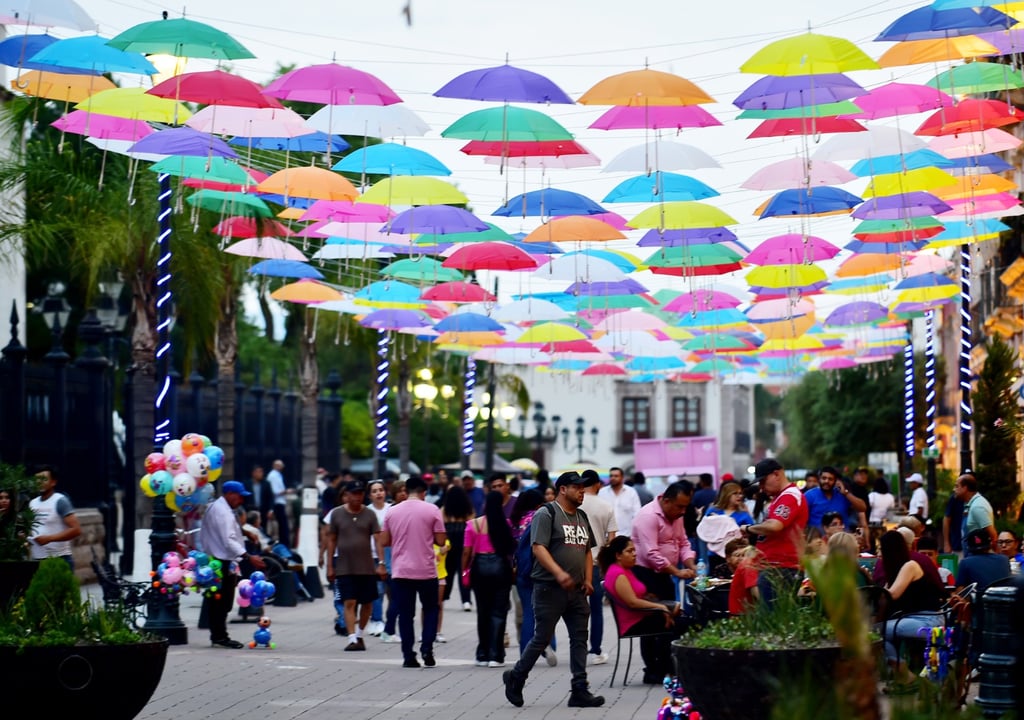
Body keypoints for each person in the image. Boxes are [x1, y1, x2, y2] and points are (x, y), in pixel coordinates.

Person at [502, 471, 604, 709]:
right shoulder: (546, 513)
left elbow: (587, 550)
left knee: (580, 638)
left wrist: (589, 579)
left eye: (583, 488)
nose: (582, 492)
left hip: (577, 590)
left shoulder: (581, 516)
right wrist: (559, 573)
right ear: (563, 489)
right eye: (577, 487)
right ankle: (516, 677)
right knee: (542, 638)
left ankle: (579, 689)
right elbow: (538, 548)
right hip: (549, 587)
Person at [631, 480, 697, 684]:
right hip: (646, 574)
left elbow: (683, 542)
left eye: (685, 507)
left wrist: (690, 564)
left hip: (664, 574)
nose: (682, 512)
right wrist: (677, 571)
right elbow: (651, 553)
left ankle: (667, 666)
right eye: (679, 507)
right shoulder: (648, 516)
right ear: (666, 501)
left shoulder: (676, 516)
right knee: (652, 623)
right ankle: (652, 670)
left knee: (670, 620)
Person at [380, 475, 446, 668]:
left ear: (406, 491)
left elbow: (384, 541)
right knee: (431, 609)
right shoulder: (432, 510)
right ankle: (427, 648)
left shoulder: (392, 511)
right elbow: (441, 541)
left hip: (401, 571)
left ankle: (408, 655)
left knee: (405, 614)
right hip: (426, 570)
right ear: (424, 492)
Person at [599, 536, 685, 679]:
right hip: (633, 622)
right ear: (618, 555)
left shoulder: (626, 570)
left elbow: (639, 596)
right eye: (629, 551)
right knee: (679, 624)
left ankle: (660, 669)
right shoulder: (617, 574)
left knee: (680, 618)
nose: (634, 554)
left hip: (642, 616)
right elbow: (632, 602)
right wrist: (661, 608)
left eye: (634, 550)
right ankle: (663, 670)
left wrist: (662, 606)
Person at [199, 480, 265, 648]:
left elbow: (228, 530)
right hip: (221, 560)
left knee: (219, 600)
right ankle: (220, 637)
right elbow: (228, 540)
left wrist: (245, 532)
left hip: (217, 558)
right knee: (222, 601)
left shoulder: (219, 507)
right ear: (229, 494)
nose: (241, 500)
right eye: (239, 496)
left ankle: (218, 635)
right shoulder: (223, 512)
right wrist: (249, 557)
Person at [325, 480, 385, 651]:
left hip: (366, 567)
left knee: (367, 603)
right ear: (347, 494)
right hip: (345, 566)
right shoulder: (337, 514)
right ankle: (352, 638)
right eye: (354, 493)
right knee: (349, 601)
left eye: (360, 493)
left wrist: (381, 563)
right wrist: (330, 566)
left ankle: (359, 634)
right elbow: (331, 540)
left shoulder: (369, 514)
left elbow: (378, 540)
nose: (357, 497)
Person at [738, 458, 808, 605]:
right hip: (776, 567)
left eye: (763, 481)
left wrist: (749, 528)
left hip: (781, 568)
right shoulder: (780, 497)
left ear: (776, 474)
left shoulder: (790, 496)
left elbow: (775, 525)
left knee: (773, 615)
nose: (761, 487)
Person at [878, 530, 947, 672]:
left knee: (875, 631)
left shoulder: (910, 566)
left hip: (928, 621)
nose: (879, 554)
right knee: (878, 631)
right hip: (916, 619)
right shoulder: (899, 569)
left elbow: (892, 594)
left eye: (881, 549)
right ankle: (899, 669)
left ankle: (901, 671)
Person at [463, 490, 516, 668]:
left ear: (485, 504)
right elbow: (511, 549)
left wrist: (464, 569)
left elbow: (466, 552)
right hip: (501, 568)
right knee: (499, 613)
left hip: (479, 568)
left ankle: (482, 653)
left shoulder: (473, 524)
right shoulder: (506, 523)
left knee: (483, 611)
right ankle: (496, 654)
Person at [511, 489, 557, 664]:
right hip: (540, 570)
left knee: (528, 613)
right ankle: (549, 644)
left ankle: (525, 653)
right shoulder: (541, 517)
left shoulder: (515, 520)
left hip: (521, 570)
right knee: (547, 611)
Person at [579, 469, 616, 666]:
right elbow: (612, 541)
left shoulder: (574, 503)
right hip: (595, 564)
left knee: (576, 609)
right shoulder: (606, 506)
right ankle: (596, 650)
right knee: (596, 610)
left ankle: (578, 647)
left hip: (573, 564)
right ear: (598, 484)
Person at [28, 466, 81, 571]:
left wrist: (49, 539)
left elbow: (76, 530)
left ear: (53, 482)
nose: (39, 482)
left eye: (44, 479)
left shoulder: (60, 501)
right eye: (37, 479)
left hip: (59, 558)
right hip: (37, 559)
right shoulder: (32, 503)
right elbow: (32, 528)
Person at [441, 483, 475, 613]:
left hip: (448, 545)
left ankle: (443, 597)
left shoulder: (444, 510)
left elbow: (440, 528)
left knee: (447, 572)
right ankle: (466, 600)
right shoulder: (468, 510)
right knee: (464, 572)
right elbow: (472, 526)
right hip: (464, 544)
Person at [803, 465, 865, 530]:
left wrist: (846, 493)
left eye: (830, 479)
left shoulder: (843, 494)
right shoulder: (809, 496)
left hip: (841, 535)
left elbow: (862, 508)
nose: (826, 481)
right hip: (817, 536)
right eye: (824, 478)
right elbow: (801, 519)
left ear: (835, 481)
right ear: (819, 479)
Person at [366, 480, 389, 637]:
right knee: (378, 590)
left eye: (380, 490)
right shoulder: (367, 512)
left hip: (391, 554)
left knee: (391, 591)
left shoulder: (391, 509)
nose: (378, 493)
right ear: (370, 495)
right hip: (372, 555)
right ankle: (377, 620)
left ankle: (384, 619)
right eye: (374, 491)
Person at [955, 473, 997, 555]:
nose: (954, 489)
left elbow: (993, 535)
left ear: (965, 488)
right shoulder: (972, 504)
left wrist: (994, 556)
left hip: (979, 556)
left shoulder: (977, 507)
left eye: (957, 486)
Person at [598, 466, 642, 537]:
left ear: (622, 478)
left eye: (616, 476)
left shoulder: (631, 492)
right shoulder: (602, 492)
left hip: (627, 535)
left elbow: (637, 514)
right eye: (611, 476)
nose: (613, 478)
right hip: (607, 535)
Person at [728, 545, 763, 614]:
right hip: (744, 616)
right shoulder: (749, 565)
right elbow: (755, 592)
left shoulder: (750, 563)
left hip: (746, 613)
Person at [266, 459, 291, 550]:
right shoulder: (273, 476)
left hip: (280, 502)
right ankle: (283, 544)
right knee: (282, 525)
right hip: (277, 503)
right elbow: (275, 491)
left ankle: (284, 544)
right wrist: (286, 491)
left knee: (282, 525)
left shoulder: (278, 475)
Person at [244, 464, 275, 529]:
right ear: (254, 473)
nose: (261, 474)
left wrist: (270, 510)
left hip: (263, 511)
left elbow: (270, 497)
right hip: (250, 511)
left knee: (263, 529)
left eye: (261, 472)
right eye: (259, 472)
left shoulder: (266, 484)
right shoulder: (247, 484)